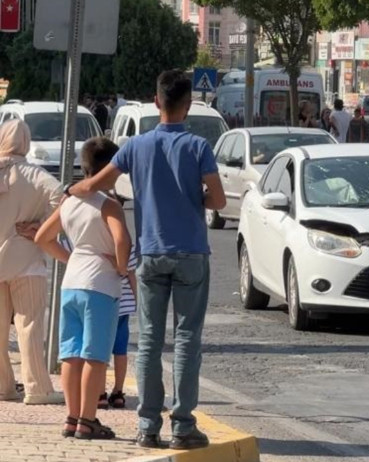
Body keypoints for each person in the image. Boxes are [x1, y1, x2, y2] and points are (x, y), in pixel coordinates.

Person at [68, 69, 226, 450]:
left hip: (151, 252)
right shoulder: (199, 147)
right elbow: (219, 200)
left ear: (157, 102)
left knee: (150, 340)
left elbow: (97, 184)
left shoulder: (136, 147)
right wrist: (195, 199)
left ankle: (147, 427)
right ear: (188, 105)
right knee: (187, 339)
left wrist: (73, 189)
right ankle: (183, 426)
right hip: (191, 253)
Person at [35, 137, 130, 439]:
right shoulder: (109, 205)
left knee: (71, 354)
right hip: (100, 286)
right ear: (109, 171)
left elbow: (43, 237)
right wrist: (121, 266)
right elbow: (122, 240)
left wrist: (72, 256)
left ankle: (71, 417)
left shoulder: (70, 202)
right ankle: (89, 420)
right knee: (95, 356)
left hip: (71, 283)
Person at [0, 120, 65, 406]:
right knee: (29, 326)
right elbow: (65, 200)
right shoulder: (36, 175)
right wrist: (41, 228)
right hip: (26, 259)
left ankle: (3, 387)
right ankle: (37, 388)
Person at [98, 239, 137, 410]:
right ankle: (118, 391)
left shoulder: (94, 242)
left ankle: (99, 393)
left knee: (99, 350)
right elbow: (132, 275)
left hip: (101, 300)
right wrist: (139, 301)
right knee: (120, 350)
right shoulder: (127, 244)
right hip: (124, 303)